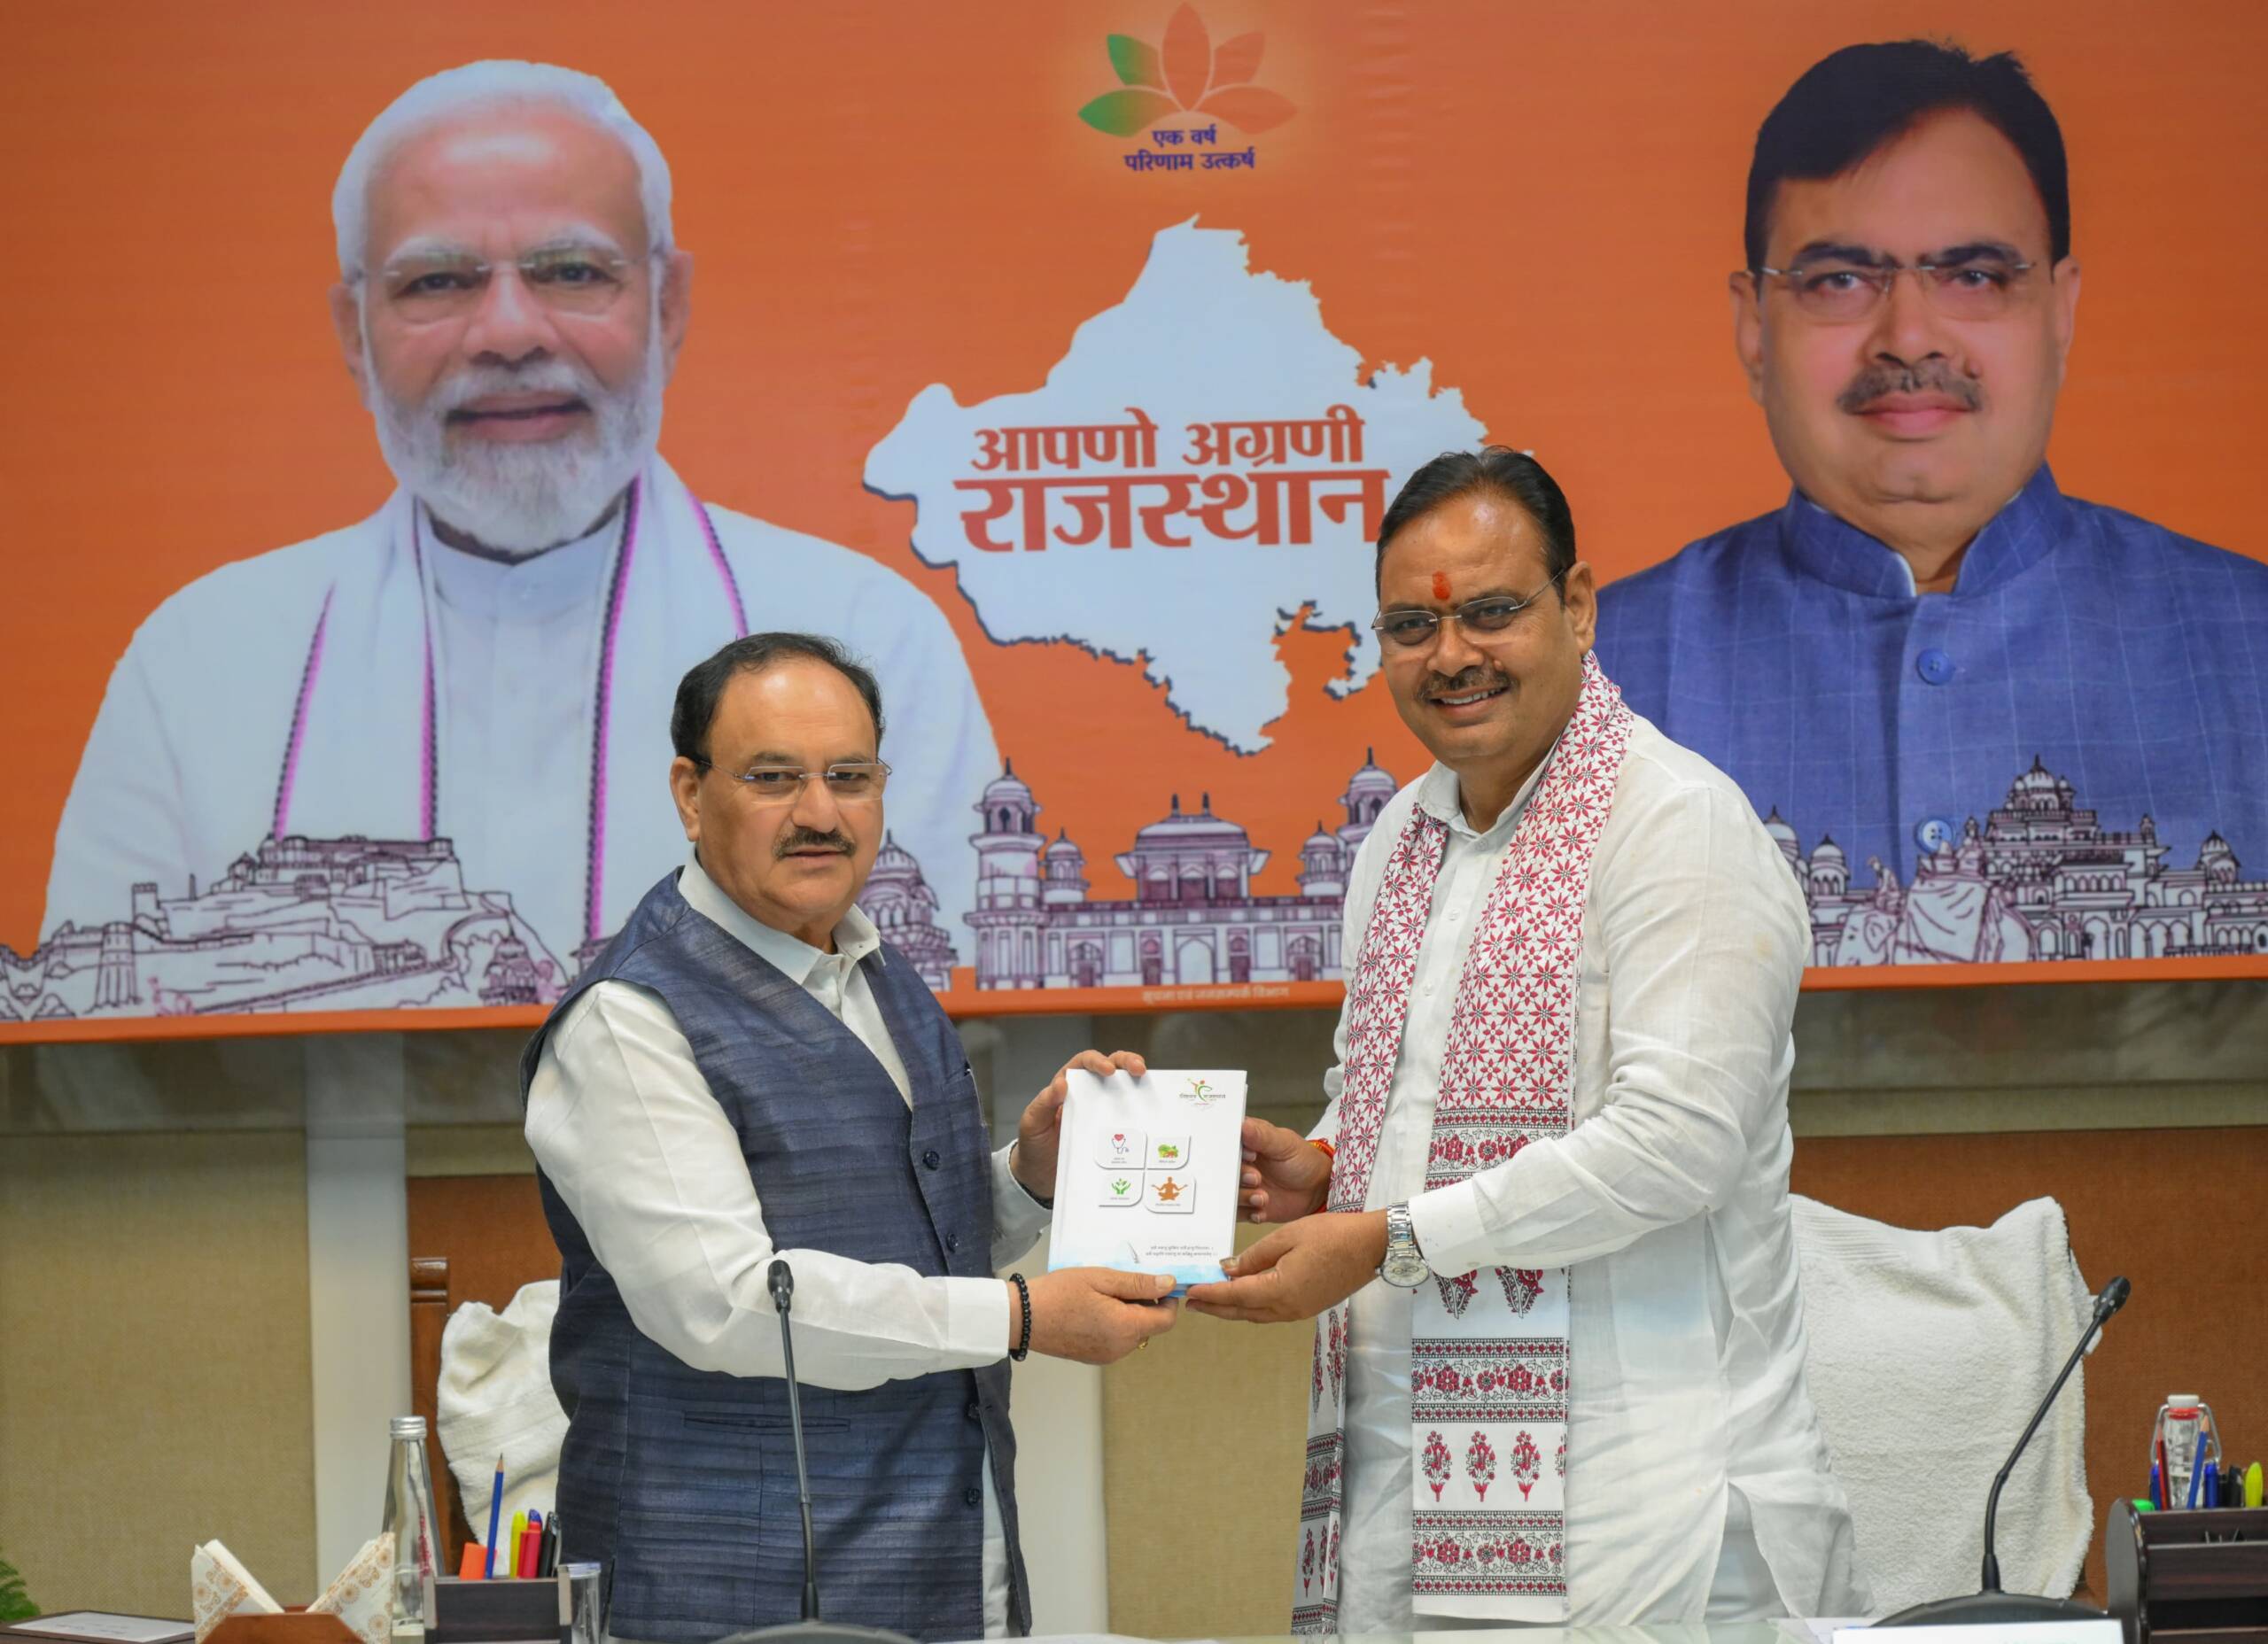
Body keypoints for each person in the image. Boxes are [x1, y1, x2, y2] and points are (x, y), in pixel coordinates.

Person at [44, 60, 995, 988]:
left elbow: (953, 1031)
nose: (507, 333)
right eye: (436, 281)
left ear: (668, 309)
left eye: (572, 271)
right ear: (353, 334)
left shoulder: (868, 634)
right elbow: (92, 1052)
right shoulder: (196, 663)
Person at [1187, 450, 1868, 1630]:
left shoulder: (1674, 826)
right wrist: (1329, 1165)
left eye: (1492, 611)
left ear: (1580, 605)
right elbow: (1395, 1091)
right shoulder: (1401, 838)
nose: (1451, 656)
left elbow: (1675, 1146)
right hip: (1403, 1472)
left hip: (1637, 1508)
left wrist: (1391, 1235)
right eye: (1412, 627)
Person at [523, 631, 1175, 1643]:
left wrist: (1027, 1179)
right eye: (773, 776)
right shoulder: (628, 1017)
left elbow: (901, 1233)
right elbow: (724, 1302)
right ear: (691, 793)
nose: (820, 813)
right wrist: (1018, 1314)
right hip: (721, 1588)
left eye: (849, 776)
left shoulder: (880, 973)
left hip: (944, 1560)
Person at [1595, 41, 2268, 950]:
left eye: (1974, 276)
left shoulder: (2252, 645)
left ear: (2061, 312)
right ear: (1754, 328)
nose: (1909, 337)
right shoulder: (1586, 684)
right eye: (1840, 280)